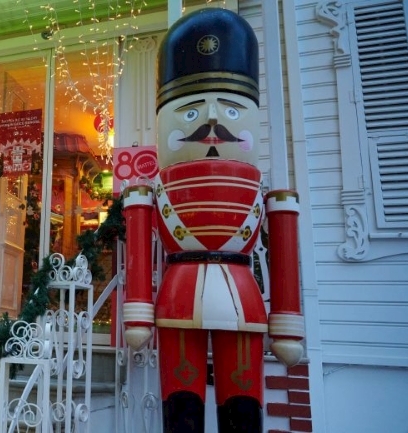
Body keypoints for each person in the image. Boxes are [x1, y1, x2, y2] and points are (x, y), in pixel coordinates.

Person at [121, 8, 305, 432]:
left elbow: (283, 244)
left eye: (231, 110)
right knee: (180, 403)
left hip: (241, 295)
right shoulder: (151, 190)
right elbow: (137, 245)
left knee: (242, 402)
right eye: (189, 112)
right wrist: (138, 311)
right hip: (179, 294)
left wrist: (287, 321)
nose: (212, 121)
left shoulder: (267, 191)